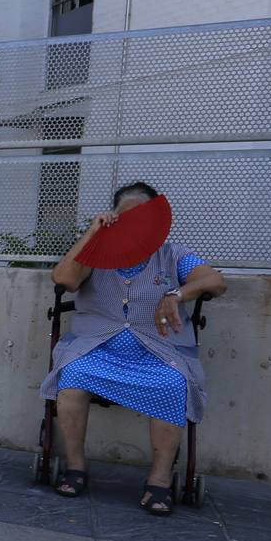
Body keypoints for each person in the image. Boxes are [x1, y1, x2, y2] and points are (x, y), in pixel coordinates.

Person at [42, 182, 228, 516]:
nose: (134, 222)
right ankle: (76, 466)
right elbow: (65, 279)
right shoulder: (98, 255)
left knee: (172, 384)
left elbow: (214, 281)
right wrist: (92, 234)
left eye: (142, 215)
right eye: (125, 216)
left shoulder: (172, 255)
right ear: (113, 217)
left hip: (157, 352)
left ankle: (159, 481)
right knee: (71, 378)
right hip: (96, 350)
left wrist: (177, 295)